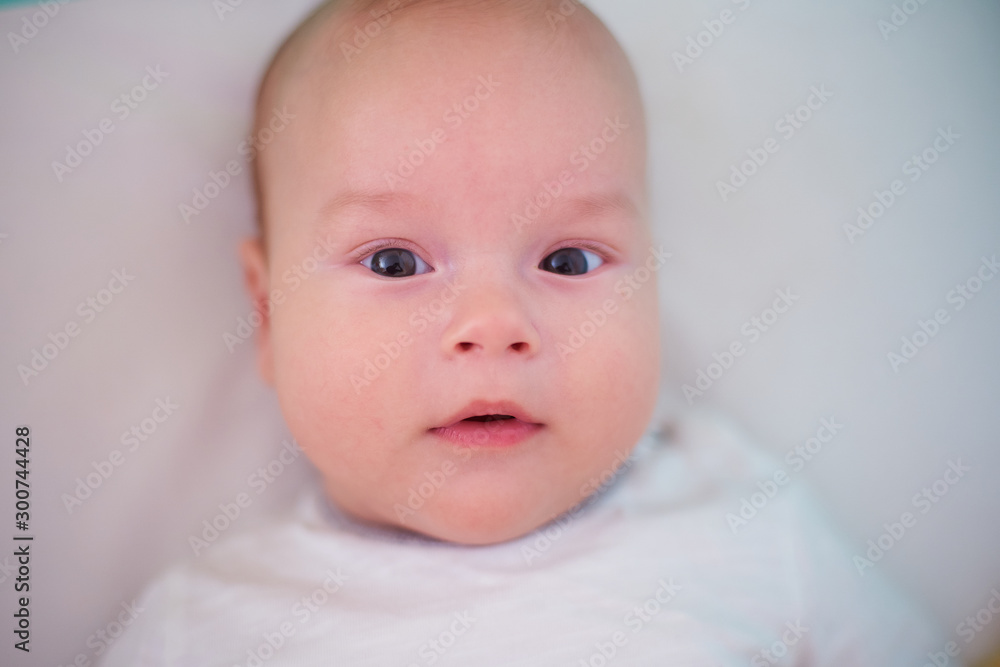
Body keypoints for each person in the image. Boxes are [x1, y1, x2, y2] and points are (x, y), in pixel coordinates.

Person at [102, 0, 949, 663]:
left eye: (571, 261)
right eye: (395, 263)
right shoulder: (204, 626)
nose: (494, 326)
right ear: (268, 314)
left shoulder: (747, 528)